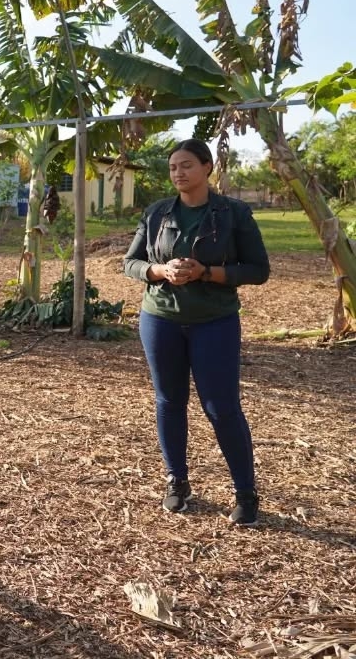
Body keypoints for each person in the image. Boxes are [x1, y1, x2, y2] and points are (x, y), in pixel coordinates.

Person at [123, 138, 270, 526]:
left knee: (222, 407)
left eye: (186, 165)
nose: (178, 173)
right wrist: (160, 270)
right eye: (173, 167)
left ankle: (245, 492)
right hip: (160, 320)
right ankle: (177, 481)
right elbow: (131, 263)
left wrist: (207, 272)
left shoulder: (234, 213)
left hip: (215, 322)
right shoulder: (157, 213)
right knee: (169, 401)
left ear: (207, 167)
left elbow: (258, 270)